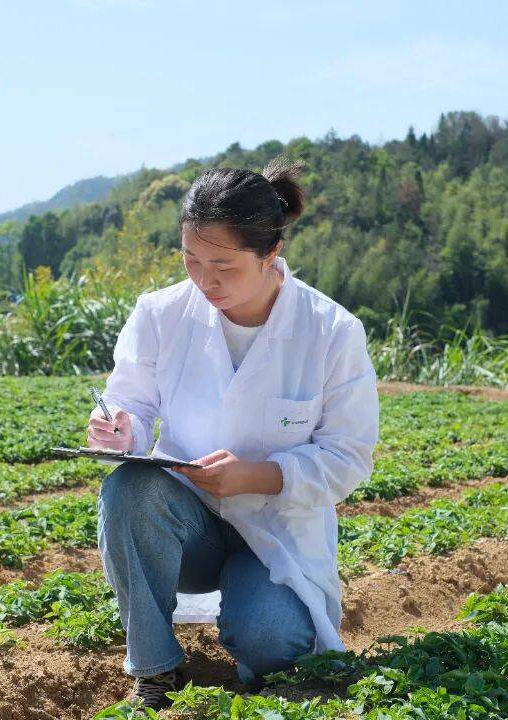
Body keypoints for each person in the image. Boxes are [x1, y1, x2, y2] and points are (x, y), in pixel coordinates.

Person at [86, 156, 379, 710]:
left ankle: (254, 622)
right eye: (192, 261)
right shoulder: (160, 314)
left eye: (224, 265)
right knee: (127, 488)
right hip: (186, 524)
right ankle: (155, 669)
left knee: (273, 643)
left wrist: (258, 475)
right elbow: (133, 401)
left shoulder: (331, 331)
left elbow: (349, 455)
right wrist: (120, 427)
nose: (205, 281)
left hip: (277, 533)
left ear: (271, 253)